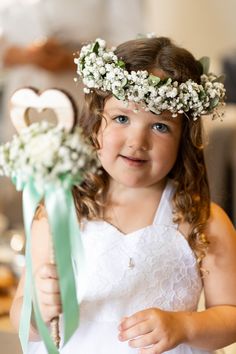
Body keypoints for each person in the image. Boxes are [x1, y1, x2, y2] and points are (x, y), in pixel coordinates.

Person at [10, 36, 236, 354]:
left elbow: (230, 314)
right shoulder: (61, 209)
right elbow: (20, 310)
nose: (137, 140)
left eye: (159, 126)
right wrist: (37, 314)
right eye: (121, 118)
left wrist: (185, 326)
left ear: (183, 138)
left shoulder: (204, 221)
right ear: (96, 124)